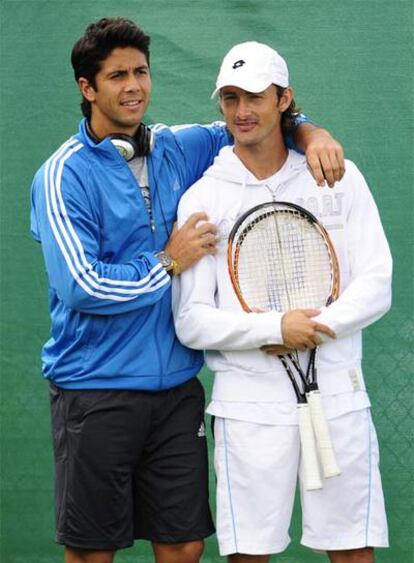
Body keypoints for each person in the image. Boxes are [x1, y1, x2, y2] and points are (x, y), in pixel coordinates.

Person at [30, 16, 345, 563]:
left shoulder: (177, 146)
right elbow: (82, 286)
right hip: (95, 391)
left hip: (176, 393)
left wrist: (312, 131)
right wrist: (168, 263)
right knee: (91, 551)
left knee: (185, 545)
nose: (133, 86)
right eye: (116, 76)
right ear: (88, 88)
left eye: (141, 72)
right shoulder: (62, 176)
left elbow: (254, 122)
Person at [173, 41, 392, 563]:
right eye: (229, 98)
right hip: (249, 408)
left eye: (254, 97)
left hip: (339, 396)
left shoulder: (338, 178)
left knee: (353, 551)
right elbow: (191, 320)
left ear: (283, 99)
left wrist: (316, 327)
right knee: (249, 555)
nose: (242, 111)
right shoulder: (203, 197)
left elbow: (377, 281)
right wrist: (275, 328)